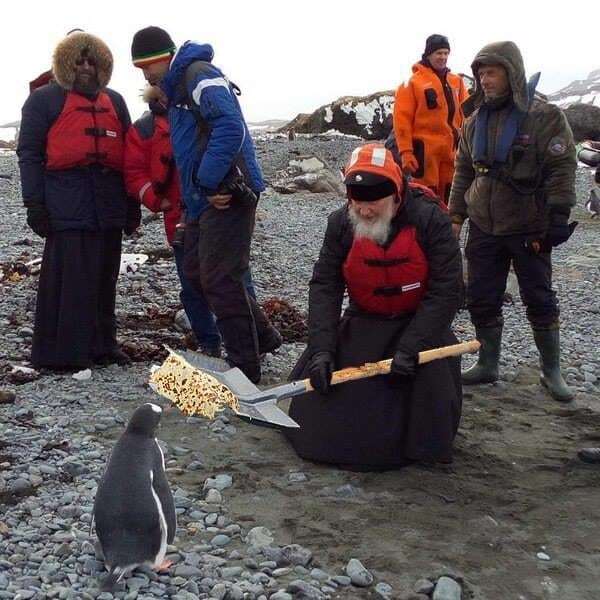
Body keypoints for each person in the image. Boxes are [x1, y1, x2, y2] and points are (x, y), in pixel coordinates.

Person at [285, 143, 463, 471]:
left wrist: (413, 346)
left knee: (424, 425)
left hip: (419, 325)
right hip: (364, 321)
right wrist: (322, 349)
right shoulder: (340, 224)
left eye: (374, 203)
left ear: (396, 194)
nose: (365, 212)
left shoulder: (430, 220)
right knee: (320, 428)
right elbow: (325, 287)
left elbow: (446, 290)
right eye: (357, 202)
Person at [130, 26, 280, 382]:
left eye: (147, 65)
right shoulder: (178, 87)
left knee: (219, 278)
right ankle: (263, 336)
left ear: (163, 57)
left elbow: (231, 127)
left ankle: (245, 367)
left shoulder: (198, 75)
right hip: (202, 198)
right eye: (140, 69)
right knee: (197, 270)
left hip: (227, 193)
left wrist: (210, 179)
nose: (146, 74)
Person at [448, 41, 577, 402]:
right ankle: (488, 363)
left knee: (539, 297)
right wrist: (455, 216)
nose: (485, 80)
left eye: (493, 72)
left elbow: (562, 166)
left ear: (512, 73)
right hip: (484, 226)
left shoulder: (544, 117)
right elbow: (463, 171)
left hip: (528, 225)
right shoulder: (473, 121)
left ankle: (551, 370)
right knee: (481, 296)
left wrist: (559, 214)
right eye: (481, 73)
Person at [17, 31, 140, 370]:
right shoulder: (43, 100)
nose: (86, 66)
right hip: (66, 198)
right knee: (69, 277)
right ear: (65, 63)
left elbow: (130, 154)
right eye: (79, 60)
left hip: (109, 198)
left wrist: (132, 205)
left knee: (104, 275)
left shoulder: (114, 101)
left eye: (92, 60)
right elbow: (28, 153)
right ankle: (63, 353)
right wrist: (34, 204)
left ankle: (103, 345)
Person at [124, 84, 222, 356]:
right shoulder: (144, 129)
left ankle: (245, 340)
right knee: (192, 284)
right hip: (179, 220)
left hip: (215, 213)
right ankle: (209, 342)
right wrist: (156, 201)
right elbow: (133, 172)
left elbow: (227, 148)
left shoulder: (199, 115)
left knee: (227, 280)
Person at [393, 34, 468, 202]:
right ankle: (424, 227)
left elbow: (468, 114)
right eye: (438, 53)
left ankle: (447, 226)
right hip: (424, 151)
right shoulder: (412, 83)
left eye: (445, 53)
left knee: (451, 193)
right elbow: (402, 120)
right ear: (428, 54)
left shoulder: (457, 82)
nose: (442, 57)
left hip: (451, 149)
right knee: (425, 194)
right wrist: (406, 152)